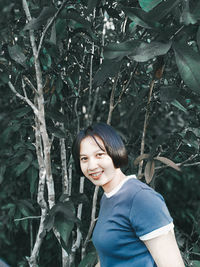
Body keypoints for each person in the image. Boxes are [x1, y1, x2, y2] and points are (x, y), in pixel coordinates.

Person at [72, 122, 185, 267]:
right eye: (84, 159)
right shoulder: (109, 197)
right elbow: (112, 257)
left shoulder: (141, 198)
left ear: (115, 152)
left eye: (99, 155)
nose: (92, 166)